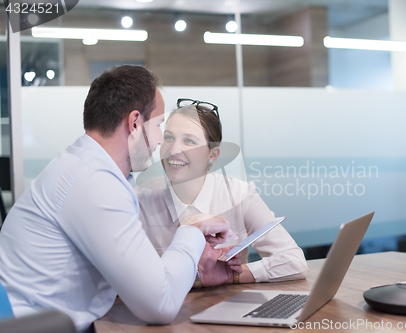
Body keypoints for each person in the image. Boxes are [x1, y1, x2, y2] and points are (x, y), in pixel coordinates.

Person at [0, 66, 242, 332]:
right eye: (159, 125)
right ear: (135, 123)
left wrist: (195, 268)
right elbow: (159, 305)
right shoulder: (94, 183)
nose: (161, 140)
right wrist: (191, 230)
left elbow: (142, 280)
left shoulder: (85, 167)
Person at [135, 99, 308, 285]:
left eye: (189, 141)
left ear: (213, 155)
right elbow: (126, 277)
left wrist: (232, 275)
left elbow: (294, 261)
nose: (174, 150)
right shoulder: (140, 199)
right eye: (169, 138)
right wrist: (198, 278)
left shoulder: (239, 194)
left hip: (230, 307)